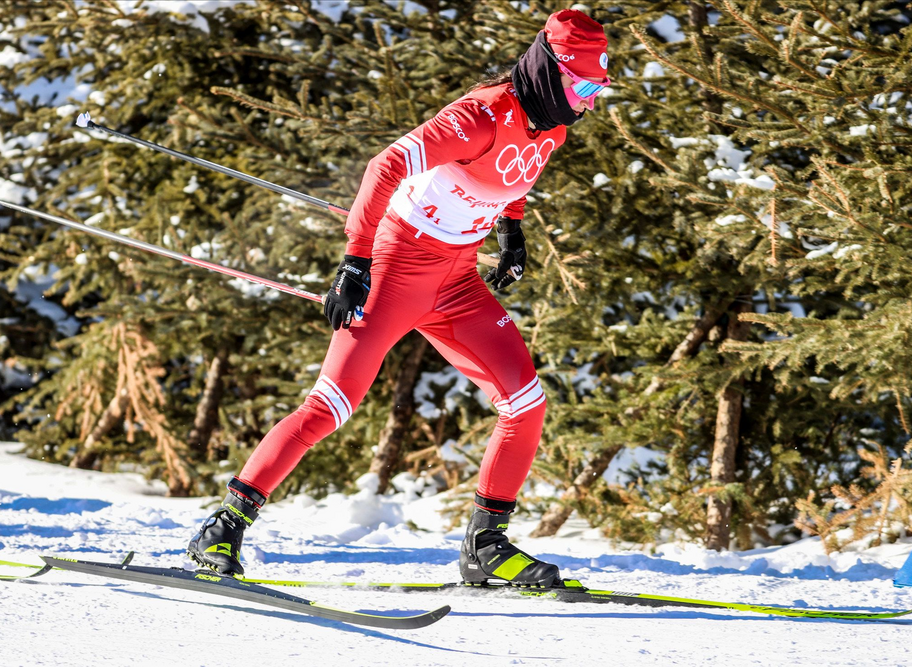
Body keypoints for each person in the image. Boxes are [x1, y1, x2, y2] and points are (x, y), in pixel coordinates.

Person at [188, 9, 611, 588]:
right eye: (584, 86)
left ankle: (485, 544)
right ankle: (223, 527)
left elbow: (514, 178)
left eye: (598, 89)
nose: (589, 101)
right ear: (550, 72)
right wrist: (356, 260)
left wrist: (512, 230)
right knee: (330, 407)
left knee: (525, 401)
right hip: (393, 270)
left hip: (456, 279)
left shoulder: (555, 125)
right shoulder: (479, 117)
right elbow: (384, 165)